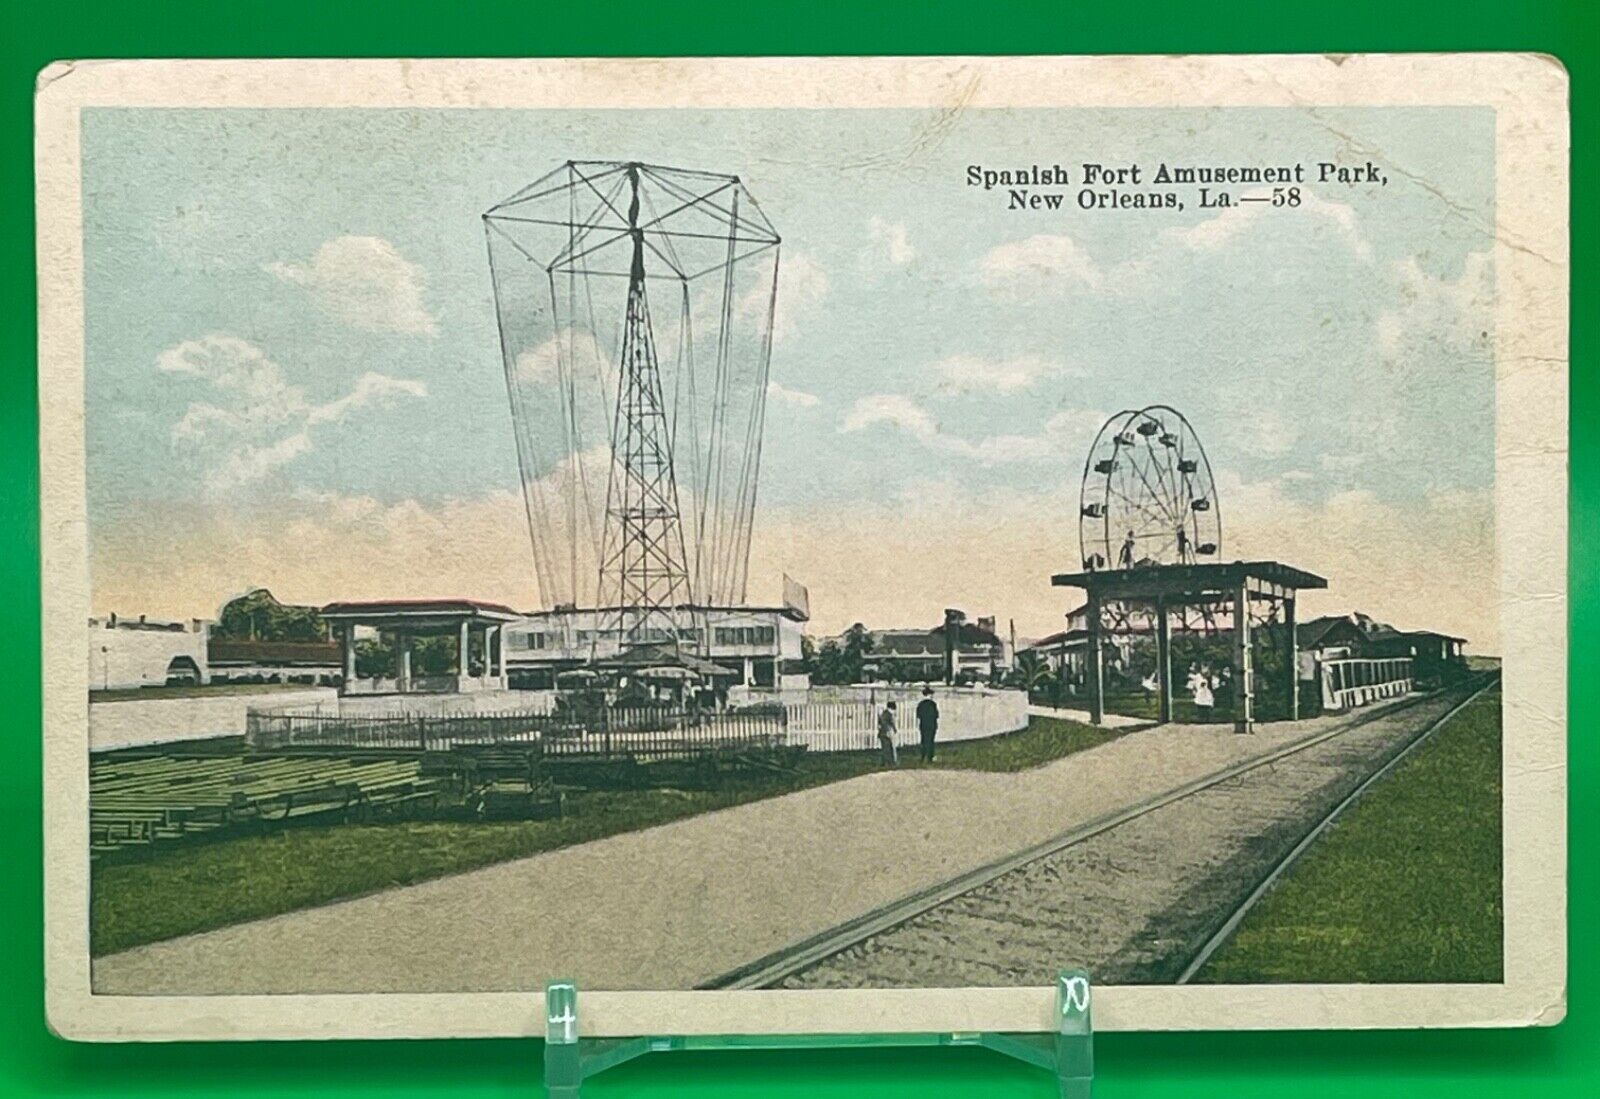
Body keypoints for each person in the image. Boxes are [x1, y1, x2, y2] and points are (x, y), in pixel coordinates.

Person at [916, 686, 940, 762]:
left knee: (923, 740)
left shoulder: (921, 704)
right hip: (932, 725)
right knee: (931, 741)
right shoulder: (933, 704)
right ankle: (930, 756)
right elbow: (936, 715)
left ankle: (923, 756)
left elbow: (918, 715)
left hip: (923, 725)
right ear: (929, 695)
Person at [877, 700, 899, 766]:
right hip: (889, 733)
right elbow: (892, 724)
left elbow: (879, 724)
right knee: (892, 748)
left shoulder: (883, 714)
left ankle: (884, 762)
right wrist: (895, 730)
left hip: (882, 733)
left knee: (885, 749)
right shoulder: (890, 715)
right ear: (892, 708)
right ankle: (893, 762)